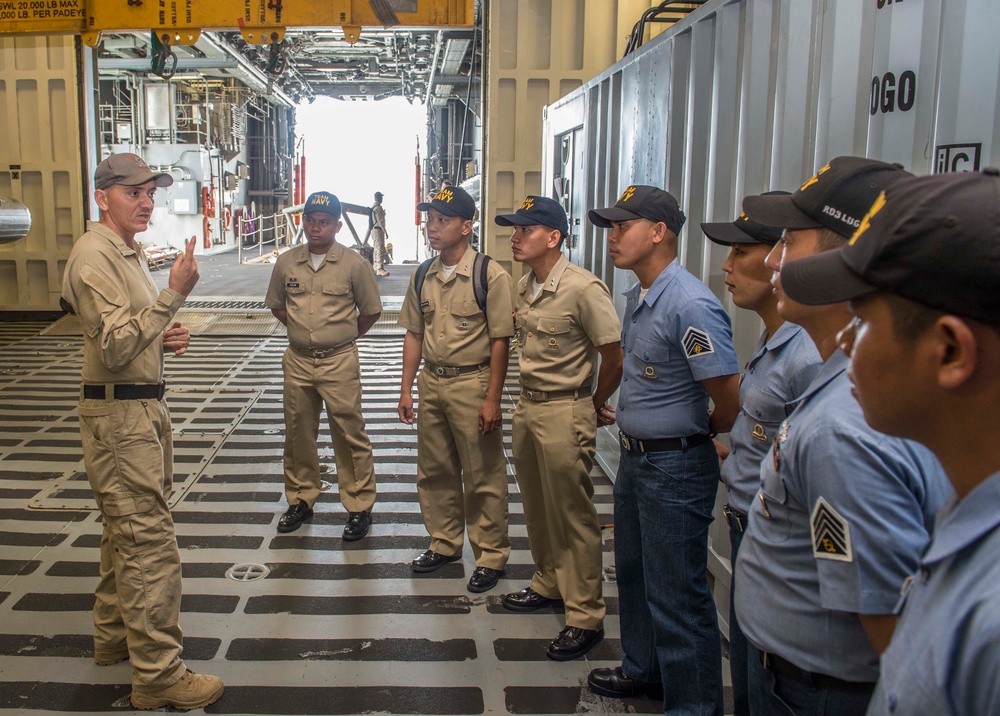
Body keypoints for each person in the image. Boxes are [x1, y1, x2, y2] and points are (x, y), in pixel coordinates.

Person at [776, 169, 1000, 716]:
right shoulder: (964, 516)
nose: (847, 342)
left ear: (949, 352)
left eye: (863, 319)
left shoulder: (990, 622)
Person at [734, 156, 952, 715]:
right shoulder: (841, 381)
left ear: (851, 257)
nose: (774, 260)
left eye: (790, 241)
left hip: (817, 692)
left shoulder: (847, 424)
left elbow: (886, 621)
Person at [61, 152, 224, 710]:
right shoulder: (94, 256)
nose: (147, 201)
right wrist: (174, 293)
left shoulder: (122, 251)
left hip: (137, 409)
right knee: (147, 542)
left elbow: (129, 335)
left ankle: (113, 639)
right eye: (134, 192)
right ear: (103, 197)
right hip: (120, 418)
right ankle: (157, 675)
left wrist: (161, 338)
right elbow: (111, 345)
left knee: (121, 531)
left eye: (150, 191)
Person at [585, 185, 741, 715]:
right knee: (634, 573)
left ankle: (694, 707)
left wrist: (691, 435)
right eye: (610, 226)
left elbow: (728, 398)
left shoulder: (689, 303)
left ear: (658, 232)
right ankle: (644, 670)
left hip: (673, 465)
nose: (612, 236)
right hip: (637, 459)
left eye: (623, 226)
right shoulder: (640, 296)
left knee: (678, 596)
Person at [700, 197, 823, 716]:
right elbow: (777, 439)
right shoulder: (777, 340)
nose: (728, 266)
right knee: (751, 682)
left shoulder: (807, 356)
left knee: (769, 686)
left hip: (777, 542)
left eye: (741, 252)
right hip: (750, 528)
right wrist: (736, 456)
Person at [496, 195, 623, 660]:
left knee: (573, 516)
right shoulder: (527, 286)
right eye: (514, 229)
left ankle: (585, 615)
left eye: (524, 229)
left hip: (564, 411)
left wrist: (592, 403)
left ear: (553, 237)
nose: (515, 237)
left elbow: (614, 355)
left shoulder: (583, 289)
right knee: (537, 506)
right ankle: (549, 582)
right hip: (528, 408)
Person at [397, 185, 515, 593]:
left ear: (467, 226)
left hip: (472, 382)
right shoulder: (422, 274)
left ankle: (490, 554)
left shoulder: (489, 274)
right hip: (433, 382)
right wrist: (406, 389)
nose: (432, 227)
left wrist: (493, 398)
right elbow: (415, 332)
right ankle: (444, 542)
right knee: (435, 471)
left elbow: (501, 339)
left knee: (482, 473)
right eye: (429, 219)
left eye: (442, 220)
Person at [265, 191, 381, 538]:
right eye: (311, 221)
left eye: (324, 222)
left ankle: (359, 506)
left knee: (349, 433)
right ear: (304, 223)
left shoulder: (353, 264)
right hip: (298, 361)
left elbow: (371, 312)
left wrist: (338, 337)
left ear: (338, 226)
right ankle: (301, 498)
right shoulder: (287, 262)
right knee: (299, 432)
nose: (316, 228)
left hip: (339, 361)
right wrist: (305, 333)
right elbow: (278, 306)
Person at [371, 191, 390, 277]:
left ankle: (376, 267)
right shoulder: (378, 208)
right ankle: (379, 269)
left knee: (376, 248)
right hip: (378, 229)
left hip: (374, 229)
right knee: (380, 248)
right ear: (380, 198)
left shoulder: (373, 207)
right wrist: (385, 231)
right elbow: (381, 221)